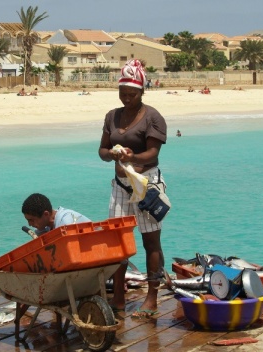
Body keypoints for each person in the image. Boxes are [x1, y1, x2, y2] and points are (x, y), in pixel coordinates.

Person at [98, 59, 168, 318]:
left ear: (142, 92)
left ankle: (152, 298)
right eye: (123, 93)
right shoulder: (111, 116)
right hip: (119, 186)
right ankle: (118, 296)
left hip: (145, 185)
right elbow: (102, 150)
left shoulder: (153, 117)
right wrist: (113, 155)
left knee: (151, 242)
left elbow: (152, 153)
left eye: (132, 94)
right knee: (117, 243)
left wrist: (131, 157)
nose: (127, 98)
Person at [21, 193, 91, 236]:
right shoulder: (45, 226)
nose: (29, 224)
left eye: (32, 220)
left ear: (46, 214)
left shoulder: (66, 222)